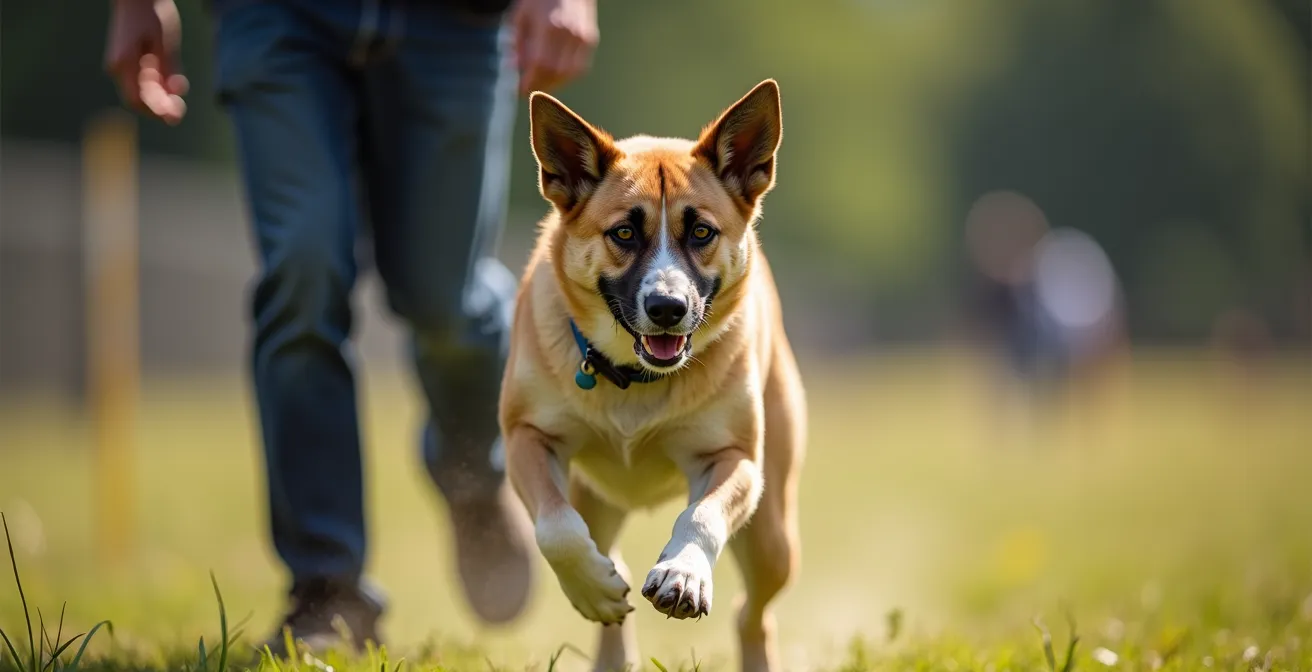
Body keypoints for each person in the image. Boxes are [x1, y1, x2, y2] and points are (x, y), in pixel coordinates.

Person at [103, 0, 599, 654]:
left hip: (454, 24)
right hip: (278, 18)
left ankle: (473, 469)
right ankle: (327, 593)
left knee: (444, 299)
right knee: (302, 271)